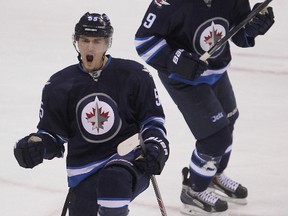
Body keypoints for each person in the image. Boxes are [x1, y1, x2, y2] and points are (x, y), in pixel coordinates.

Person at [14, 12, 169, 216]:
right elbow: (53, 135)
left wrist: (156, 146)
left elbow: (153, 121)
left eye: (97, 41)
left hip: (129, 160)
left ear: (107, 44)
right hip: (85, 172)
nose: (90, 47)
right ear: (76, 42)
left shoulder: (134, 75)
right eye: (84, 40)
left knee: (113, 179)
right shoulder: (59, 85)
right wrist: (36, 146)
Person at [135, 0, 274, 214]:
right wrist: (174, 60)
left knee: (228, 121)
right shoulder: (169, 3)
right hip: (184, 79)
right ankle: (194, 190)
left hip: (216, 71)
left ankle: (213, 175)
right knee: (216, 138)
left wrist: (253, 27)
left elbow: (239, 33)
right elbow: (144, 41)